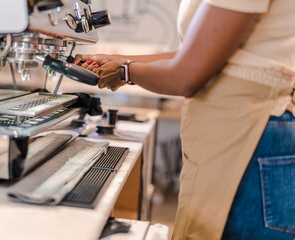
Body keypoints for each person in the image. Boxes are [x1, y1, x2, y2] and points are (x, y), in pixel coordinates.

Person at [75, 0, 295, 239]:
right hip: (237, 128)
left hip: (252, 133)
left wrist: (125, 71)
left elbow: (187, 75)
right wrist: (116, 59)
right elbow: (196, 52)